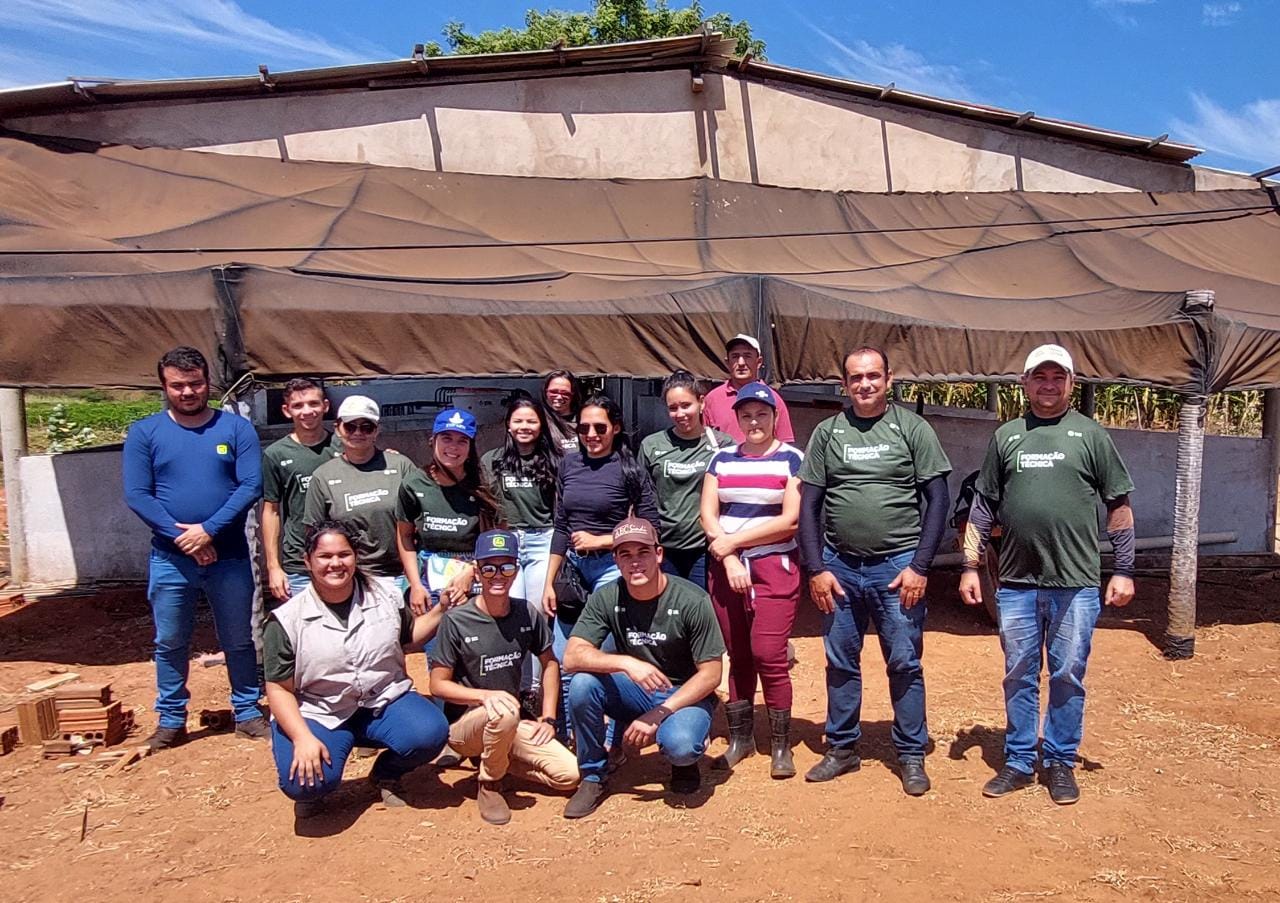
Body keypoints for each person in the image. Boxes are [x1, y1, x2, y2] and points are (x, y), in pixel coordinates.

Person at [960, 344, 1135, 806]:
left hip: (1075, 583)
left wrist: (1125, 570)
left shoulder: (1091, 435)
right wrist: (969, 566)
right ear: (1025, 383)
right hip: (1016, 583)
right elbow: (982, 508)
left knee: (1067, 676)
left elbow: (1118, 505)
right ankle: (1018, 761)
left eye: (1058, 378)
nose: (1049, 385)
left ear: (1071, 384)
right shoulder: (1008, 437)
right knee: (1018, 674)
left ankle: (1059, 760)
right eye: (1040, 377)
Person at [798, 348, 952, 795]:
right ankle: (842, 748)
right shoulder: (828, 433)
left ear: (889, 380)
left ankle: (910, 753)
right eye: (855, 378)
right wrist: (816, 568)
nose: (864, 384)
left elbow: (937, 499)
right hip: (839, 567)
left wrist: (921, 566)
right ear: (843, 384)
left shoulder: (912, 428)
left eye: (873, 376)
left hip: (897, 566)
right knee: (840, 661)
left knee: (904, 661)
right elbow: (809, 505)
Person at [123, 346, 268, 750]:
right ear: (164, 386)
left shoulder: (235, 429)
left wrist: (208, 530)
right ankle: (171, 719)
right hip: (170, 558)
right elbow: (138, 494)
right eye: (178, 385)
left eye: (195, 383)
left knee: (239, 638)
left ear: (208, 383)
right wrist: (184, 538)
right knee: (170, 640)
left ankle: (247, 711)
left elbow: (250, 487)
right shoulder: (145, 433)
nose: (187, 392)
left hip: (231, 554)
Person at [263, 521, 450, 818]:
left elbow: (409, 638)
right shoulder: (286, 620)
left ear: (355, 557)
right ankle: (316, 786)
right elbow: (278, 688)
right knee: (303, 783)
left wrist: (442, 609)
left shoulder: (385, 595)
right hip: (320, 711)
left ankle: (386, 773)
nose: (335, 563)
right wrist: (302, 738)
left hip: (382, 701)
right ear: (307, 561)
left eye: (344, 554)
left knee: (430, 733)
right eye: (325, 556)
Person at [561, 518, 726, 819]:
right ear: (616, 560)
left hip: (683, 695)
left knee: (681, 745)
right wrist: (625, 662)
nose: (635, 562)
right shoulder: (608, 596)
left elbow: (712, 674)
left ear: (659, 554)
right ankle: (593, 776)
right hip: (635, 688)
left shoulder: (692, 600)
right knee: (583, 684)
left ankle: (684, 761)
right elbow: (572, 657)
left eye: (643, 552)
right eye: (626, 554)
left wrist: (659, 713)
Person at [430, 530, 580, 825]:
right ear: (476, 571)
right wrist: (484, 697)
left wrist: (548, 718)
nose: (497, 575)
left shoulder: (526, 613)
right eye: (488, 567)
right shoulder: (457, 619)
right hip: (466, 727)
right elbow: (437, 684)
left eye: (506, 567)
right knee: (505, 710)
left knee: (569, 776)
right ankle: (489, 784)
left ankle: (496, 758)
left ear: (516, 570)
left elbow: (550, 663)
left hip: (509, 722)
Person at [701, 381, 804, 778]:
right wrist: (727, 558)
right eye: (746, 415)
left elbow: (789, 520)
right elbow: (708, 513)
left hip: (772, 565)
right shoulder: (721, 459)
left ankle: (781, 745)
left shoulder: (792, 459)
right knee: (737, 652)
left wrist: (733, 544)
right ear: (738, 419)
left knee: (768, 653)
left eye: (762, 414)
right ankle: (740, 739)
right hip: (727, 568)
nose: (754, 421)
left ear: (776, 417)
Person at [542, 395, 660, 736]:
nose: (591, 434)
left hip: (612, 567)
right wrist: (549, 581)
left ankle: (610, 740)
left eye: (600, 427)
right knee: (567, 658)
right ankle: (572, 738)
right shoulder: (568, 464)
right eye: (583, 428)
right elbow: (561, 525)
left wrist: (603, 540)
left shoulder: (629, 468)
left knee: (601, 655)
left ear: (616, 428)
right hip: (572, 572)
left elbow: (652, 525)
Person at [303, 395, 416, 590]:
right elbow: (313, 535)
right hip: (350, 578)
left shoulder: (401, 466)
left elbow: (422, 518)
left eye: (366, 427)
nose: (358, 433)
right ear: (338, 429)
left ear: (377, 430)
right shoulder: (323, 476)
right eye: (350, 426)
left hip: (400, 576)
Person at [395, 408, 498, 617]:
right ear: (433, 441)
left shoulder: (485, 484)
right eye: (446, 438)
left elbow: (497, 538)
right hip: (428, 575)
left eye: (462, 441)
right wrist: (415, 585)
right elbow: (404, 536)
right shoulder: (414, 483)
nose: (453, 447)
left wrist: (472, 570)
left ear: (471, 447)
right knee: (432, 645)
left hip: (475, 576)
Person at [639, 370, 732, 588]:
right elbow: (643, 499)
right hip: (663, 548)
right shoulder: (652, 445)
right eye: (673, 408)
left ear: (701, 403)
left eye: (686, 405)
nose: (680, 413)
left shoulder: (723, 446)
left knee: (699, 608)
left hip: (705, 548)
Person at [261, 378, 342, 603]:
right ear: (287, 411)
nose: (307, 411)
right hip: (299, 563)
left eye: (313, 403)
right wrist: (273, 566)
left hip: (343, 558)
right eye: (298, 405)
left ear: (325, 406)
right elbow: (271, 511)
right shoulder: (275, 454)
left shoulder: (344, 446)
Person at [480, 396, 562, 606]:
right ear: (508, 425)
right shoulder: (492, 460)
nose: (524, 427)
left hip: (543, 540)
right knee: (508, 605)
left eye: (531, 421)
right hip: (506, 541)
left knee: (538, 609)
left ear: (541, 425)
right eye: (518, 421)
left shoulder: (555, 461)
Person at [702, 334, 795, 444]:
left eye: (747, 356)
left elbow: (785, 443)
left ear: (759, 362)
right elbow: (704, 442)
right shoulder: (712, 399)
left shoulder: (773, 398)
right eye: (735, 356)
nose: (741, 363)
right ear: (727, 362)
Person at [542, 370, 582, 451]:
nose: (559, 397)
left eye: (565, 393)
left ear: (573, 394)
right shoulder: (540, 421)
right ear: (545, 392)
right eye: (554, 392)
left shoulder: (582, 420)